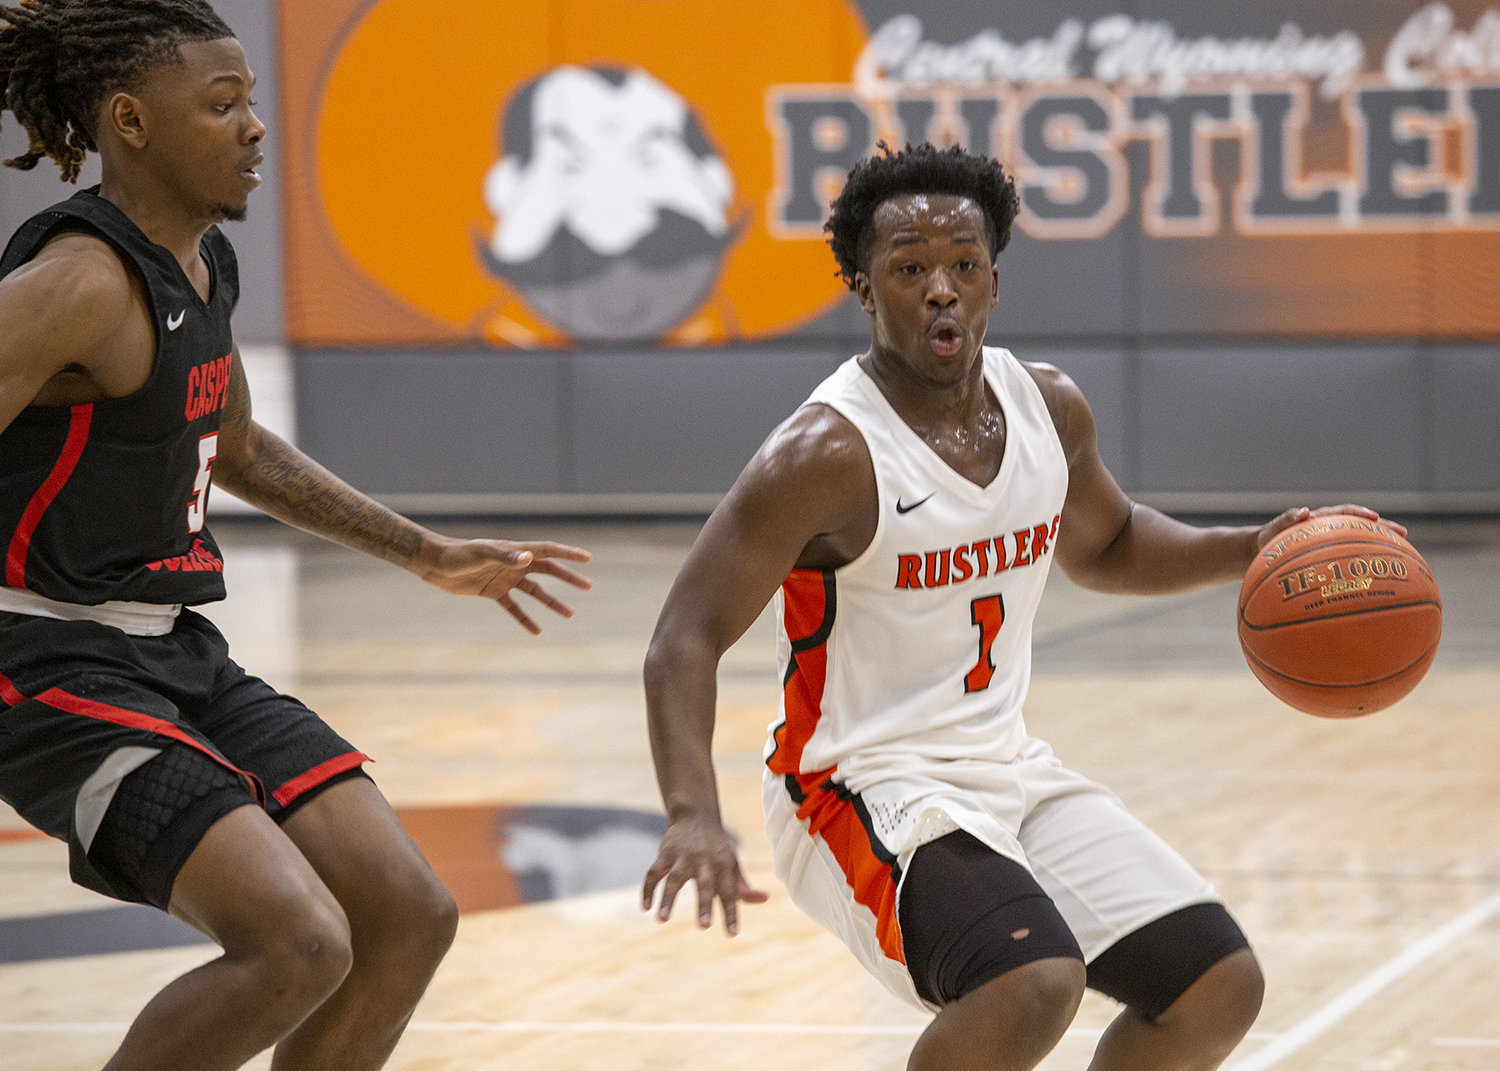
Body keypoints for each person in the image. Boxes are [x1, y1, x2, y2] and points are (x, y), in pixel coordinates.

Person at [641, 142, 1401, 1071]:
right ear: (864, 290)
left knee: (1218, 984)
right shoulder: (825, 455)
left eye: (962, 265)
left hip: (1004, 767)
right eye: (908, 268)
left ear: (994, 281)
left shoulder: (1048, 409)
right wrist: (690, 811)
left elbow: (1110, 543)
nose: (940, 289)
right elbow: (684, 637)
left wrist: (1248, 549)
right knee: (1032, 981)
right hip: (855, 785)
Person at [0, 2, 591, 1069]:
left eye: (254, 102)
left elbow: (237, 451)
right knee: (298, 942)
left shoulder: (202, 262)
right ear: (130, 121)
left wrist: (426, 553)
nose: (254, 127)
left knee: (407, 915)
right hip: (46, 662)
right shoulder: (80, 283)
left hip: (175, 649)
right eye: (222, 105)